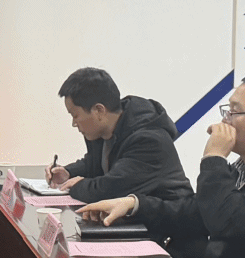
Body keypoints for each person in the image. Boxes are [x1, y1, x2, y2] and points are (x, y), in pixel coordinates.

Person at [82, 71, 245, 258]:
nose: (225, 120)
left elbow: (226, 221)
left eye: (235, 112)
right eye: (227, 110)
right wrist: (134, 205)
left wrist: (214, 158)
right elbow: (197, 211)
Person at [45, 66, 191, 206]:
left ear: (99, 110)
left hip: (167, 218)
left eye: (75, 115)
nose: (74, 123)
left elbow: (109, 190)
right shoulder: (104, 131)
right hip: (132, 218)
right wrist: (69, 172)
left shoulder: (148, 141)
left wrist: (76, 186)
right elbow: (95, 164)